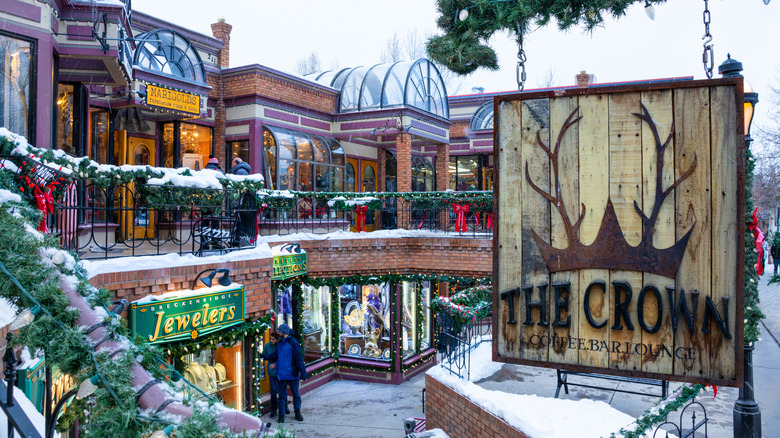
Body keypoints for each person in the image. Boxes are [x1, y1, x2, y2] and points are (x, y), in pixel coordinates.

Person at [274, 323, 307, 423]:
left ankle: (297, 412)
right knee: (282, 396)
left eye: (279, 331)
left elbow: (299, 358)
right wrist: (265, 356)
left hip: (292, 374)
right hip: (281, 375)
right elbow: (276, 355)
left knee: (295, 394)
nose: (278, 333)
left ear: (284, 333)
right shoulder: (279, 343)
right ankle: (281, 415)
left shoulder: (293, 343)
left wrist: (303, 373)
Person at [260, 331, 280, 418]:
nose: (271, 341)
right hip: (271, 372)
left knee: (281, 390)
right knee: (273, 390)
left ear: (277, 339)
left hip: (279, 371)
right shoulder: (268, 345)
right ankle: (273, 409)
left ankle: (284, 407)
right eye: (271, 339)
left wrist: (275, 364)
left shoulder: (279, 346)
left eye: (273, 339)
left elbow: (282, 359)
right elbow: (264, 354)